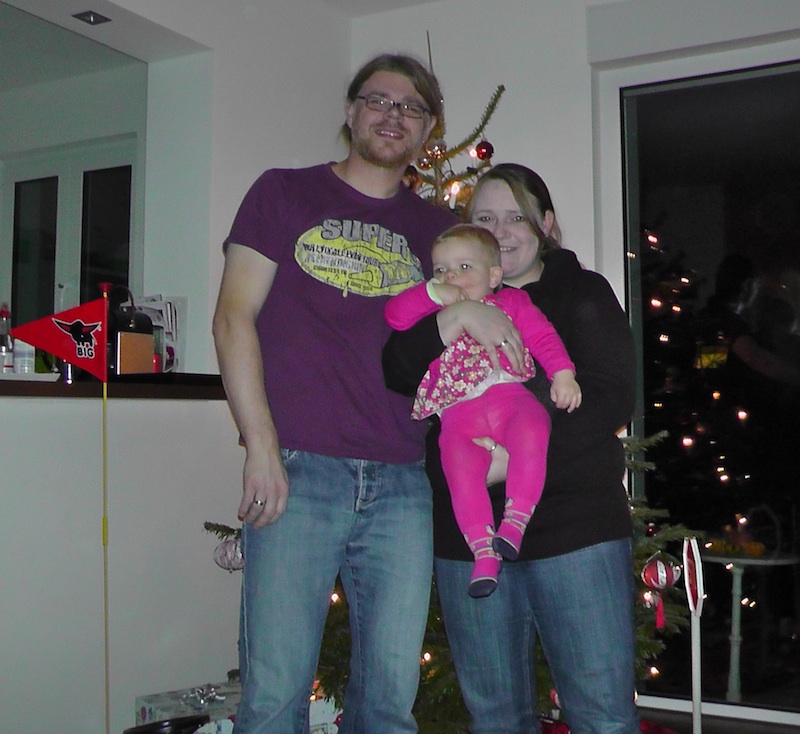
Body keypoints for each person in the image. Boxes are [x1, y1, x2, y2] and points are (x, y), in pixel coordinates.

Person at [213, 54, 456, 734]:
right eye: (378, 100)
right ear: (351, 111)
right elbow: (232, 317)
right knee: (274, 699)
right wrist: (262, 447)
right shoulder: (283, 193)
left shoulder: (439, 233)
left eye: (410, 107)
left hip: (403, 483)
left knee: (388, 705)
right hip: (298, 471)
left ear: (427, 129)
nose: (392, 115)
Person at [383, 163, 640, 734]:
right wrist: (456, 313)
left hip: (575, 533)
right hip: (467, 542)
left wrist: (513, 458)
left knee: (602, 716)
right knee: (496, 718)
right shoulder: (445, 297)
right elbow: (396, 369)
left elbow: (610, 398)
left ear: (545, 224)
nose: (499, 230)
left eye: (515, 217)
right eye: (484, 218)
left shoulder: (582, 293)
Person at [384, 223, 581, 597]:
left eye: (464, 267)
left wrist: (563, 374)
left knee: (533, 430)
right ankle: (483, 553)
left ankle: (515, 522)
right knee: (461, 473)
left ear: (493, 276)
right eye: (441, 269)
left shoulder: (512, 303)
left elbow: (543, 336)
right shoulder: (434, 314)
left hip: (510, 399)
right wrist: (432, 293)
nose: (451, 276)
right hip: (458, 417)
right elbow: (394, 315)